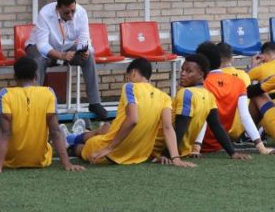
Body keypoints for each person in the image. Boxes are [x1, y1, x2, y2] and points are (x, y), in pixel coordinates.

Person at [0, 57, 84, 173]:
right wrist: (67, 164)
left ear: (15, 77)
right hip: (40, 160)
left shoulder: (6, 94)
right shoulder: (49, 93)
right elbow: (55, 131)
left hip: (10, 160)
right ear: (36, 76)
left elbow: (4, 133)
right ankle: (73, 138)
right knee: (49, 146)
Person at [66, 58, 194, 167]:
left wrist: (109, 148)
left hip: (111, 154)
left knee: (83, 146)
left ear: (133, 73)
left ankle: (69, 142)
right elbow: (168, 127)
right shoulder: (164, 97)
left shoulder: (130, 87)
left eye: (127, 76)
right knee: (106, 127)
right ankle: (76, 134)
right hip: (139, 155)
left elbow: (133, 119)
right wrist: (176, 158)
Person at [25, 0, 107, 119]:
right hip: (40, 47)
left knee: (88, 57)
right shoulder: (45, 13)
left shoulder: (81, 13)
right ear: (58, 8)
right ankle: (34, 104)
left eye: (73, 11)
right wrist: (61, 56)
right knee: (38, 60)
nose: (71, 15)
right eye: (66, 12)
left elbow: (84, 38)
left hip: (66, 48)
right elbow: (42, 46)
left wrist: (84, 50)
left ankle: (94, 102)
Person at [152, 54, 250, 161]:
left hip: (164, 150)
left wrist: (167, 154)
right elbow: (216, 126)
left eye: (189, 71)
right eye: (182, 70)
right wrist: (232, 152)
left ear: (201, 74)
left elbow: (182, 128)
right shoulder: (208, 95)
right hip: (163, 150)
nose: (183, 74)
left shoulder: (187, 93)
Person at [193, 42, 275, 156]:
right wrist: (261, 147)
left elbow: (202, 115)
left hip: (194, 141)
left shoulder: (201, 82)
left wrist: (196, 147)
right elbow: (245, 116)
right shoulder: (238, 81)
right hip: (220, 142)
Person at [217, 42, 252, 139]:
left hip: (218, 131)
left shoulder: (212, 77)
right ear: (232, 58)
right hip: (239, 130)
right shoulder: (244, 75)